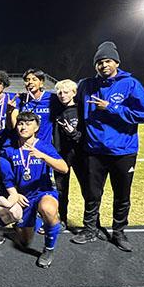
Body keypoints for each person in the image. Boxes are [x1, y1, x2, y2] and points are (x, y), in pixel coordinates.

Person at [72, 41, 144, 251]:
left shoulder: (131, 84)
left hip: (123, 151)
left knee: (122, 195)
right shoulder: (87, 85)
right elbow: (74, 107)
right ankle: (90, 229)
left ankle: (119, 233)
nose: (103, 65)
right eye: (99, 62)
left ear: (116, 62)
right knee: (92, 194)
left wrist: (112, 107)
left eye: (107, 61)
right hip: (94, 150)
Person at [0, 112, 68, 268]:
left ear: (36, 127)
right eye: (20, 124)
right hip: (23, 196)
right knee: (24, 241)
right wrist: (15, 194)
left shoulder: (44, 146)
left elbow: (64, 168)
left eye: (28, 123)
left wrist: (43, 156)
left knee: (48, 209)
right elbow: (5, 176)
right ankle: (34, 221)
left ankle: (49, 249)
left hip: (44, 192)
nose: (23, 127)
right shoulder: (9, 149)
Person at [52, 79, 83, 230]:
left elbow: (86, 135)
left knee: (88, 190)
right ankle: (62, 218)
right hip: (60, 156)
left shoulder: (81, 111)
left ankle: (92, 225)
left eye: (66, 92)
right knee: (61, 190)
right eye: (59, 92)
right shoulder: (56, 110)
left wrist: (74, 133)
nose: (62, 95)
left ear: (74, 93)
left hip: (80, 156)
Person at [8, 69, 57, 143]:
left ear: (41, 82)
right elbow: (14, 120)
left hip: (44, 144)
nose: (30, 82)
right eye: (27, 80)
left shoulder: (51, 98)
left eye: (34, 79)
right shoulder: (21, 99)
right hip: (24, 143)